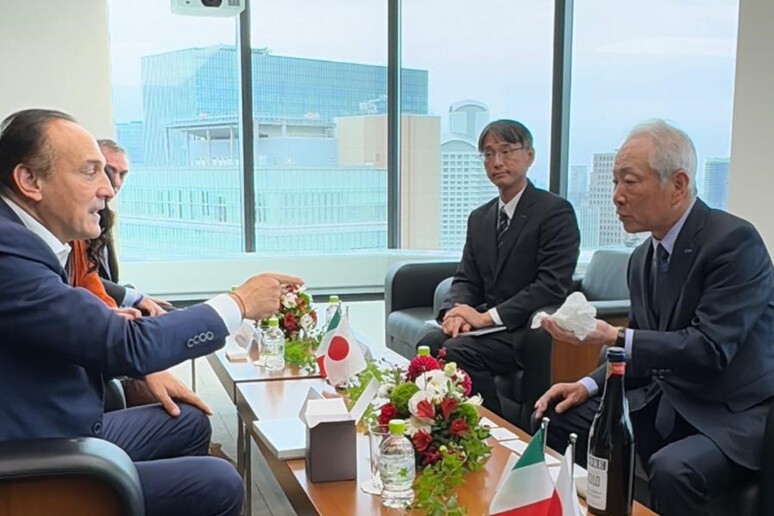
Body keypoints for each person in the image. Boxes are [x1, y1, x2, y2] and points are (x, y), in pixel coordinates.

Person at [0, 108, 303, 516]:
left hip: (57, 427)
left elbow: (58, 327)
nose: (107, 190)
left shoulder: (23, 239)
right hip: (38, 464)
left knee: (189, 420)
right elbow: (126, 345)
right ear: (29, 180)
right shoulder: (8, 252)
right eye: (90, 172)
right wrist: (239, 303)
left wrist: (107, 329)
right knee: (219, 481)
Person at [534, 119, 774, 515]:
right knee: (555, 416)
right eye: (615, 182)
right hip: (665, 398)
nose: (616, 196)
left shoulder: (733, 242)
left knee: (673, 468)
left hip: (728, 411)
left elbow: (709, 348)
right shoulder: (643, 257)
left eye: (629, 182)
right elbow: (642, 346)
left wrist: (612, 336)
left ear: (678, 184)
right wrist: (587, 385)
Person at [416, 119, 580, 416]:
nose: (497, 162)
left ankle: (489, 430)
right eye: (489, 154)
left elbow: (551, 285)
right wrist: (454, 314)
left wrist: (485, 318)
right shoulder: (480, 218)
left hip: (525, 329)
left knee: (455, 352)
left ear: (529, 155)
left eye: (506, 151)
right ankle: (445, 428)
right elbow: (466, 278)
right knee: (430, 343)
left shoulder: (554, 212)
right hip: (490, 331)